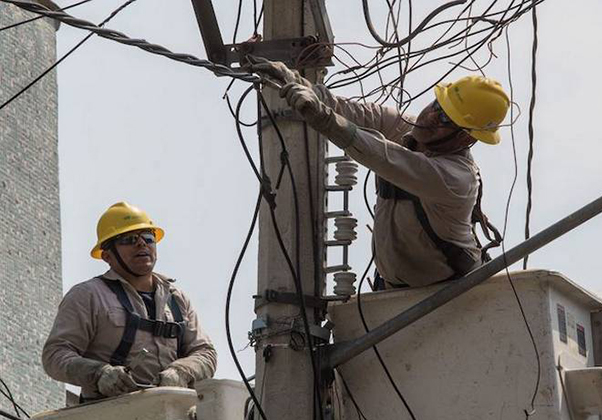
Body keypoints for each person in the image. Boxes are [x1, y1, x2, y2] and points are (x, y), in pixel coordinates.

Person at [251, 59, 509, 288]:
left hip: (451, 296)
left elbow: (383, 155)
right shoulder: (407, 127)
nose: (431, 116)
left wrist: (325, 119)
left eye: (445, 119)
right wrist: (302, 85)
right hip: (393, 293)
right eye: (437, 105)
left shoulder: (456, 179)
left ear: (465, 138)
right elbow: (354, 112)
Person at [43, 202, 216, 401]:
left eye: (148, 237)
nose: (142, 244)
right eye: (129, 239)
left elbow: (205, 352)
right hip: (109, 411)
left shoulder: (176, 298)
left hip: (170, 409)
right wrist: (100, 373)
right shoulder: (88, 295)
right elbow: (54, 355)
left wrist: (181, 372)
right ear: (107, 255)